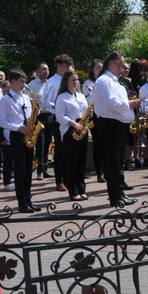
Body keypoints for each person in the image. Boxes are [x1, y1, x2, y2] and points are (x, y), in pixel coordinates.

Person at [94, 52, 140, 208]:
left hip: (119, 124)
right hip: (111, 124)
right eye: (122, 64)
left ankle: (120, 193)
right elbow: (110, 103)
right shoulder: (104, 80)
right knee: (113, 162)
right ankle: (115, 197)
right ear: (116, 63)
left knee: (118, 161)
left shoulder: (115, 82)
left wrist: (130, 102)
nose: (123, 68)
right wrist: (131, 104)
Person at [0, 69, 39, 214]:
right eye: (21, 81)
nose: (24, 84)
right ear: (13, 82)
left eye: (24, 81)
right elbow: (1, 121)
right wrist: (18, 128)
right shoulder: (5, 100)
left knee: (28, 169)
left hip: (28, 133)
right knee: (20, 170)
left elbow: (28, 116)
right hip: (16, 135)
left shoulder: (26, 98)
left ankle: (28, 199)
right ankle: (21, 202)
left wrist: (34, 114)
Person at [54, 70, 90, 201]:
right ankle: (73, 191)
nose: (75, 82)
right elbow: (59, 116)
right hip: (70, 130)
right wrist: (73, 123)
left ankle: (82, 188)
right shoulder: (62, 97)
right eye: (72, 80)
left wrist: (88, 116)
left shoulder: (80, 96)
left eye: (76, 80)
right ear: (66, 82)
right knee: (71, 162)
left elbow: (84, 110)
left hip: (83, 128)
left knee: (82, 161)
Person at [40, 54, 73, 191]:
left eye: (69, 66)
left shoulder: (70, 80)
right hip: (58, 119)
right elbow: (44, 101)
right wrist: (58, 107)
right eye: (65, 66)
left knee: (69, 150)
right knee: (59, 150)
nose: (68, 68)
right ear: (59, 65)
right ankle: (59, 180)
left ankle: (69, 178)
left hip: (70, 119)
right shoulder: (51, 82)